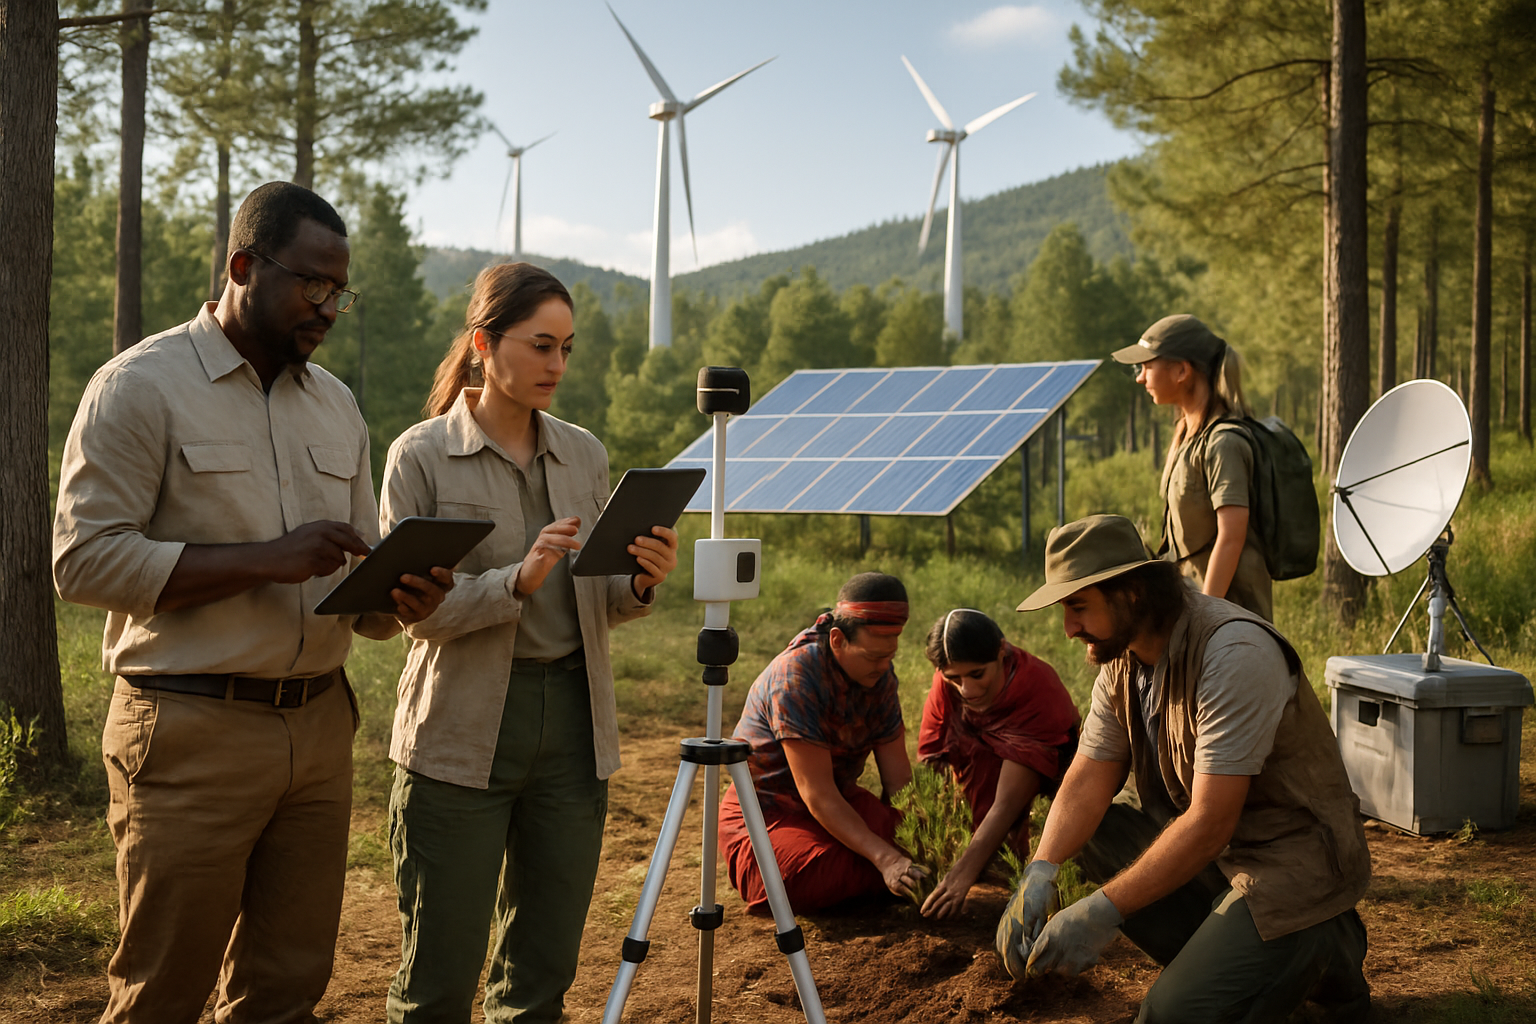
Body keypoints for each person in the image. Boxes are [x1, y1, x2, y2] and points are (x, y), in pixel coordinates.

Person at [52, 181, 450, 1024]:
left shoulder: (337, 406)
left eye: (341, 291)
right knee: (162, 991)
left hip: (317, 732)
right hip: (189, 733)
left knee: (286, 988)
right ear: (243, 266)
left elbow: (352, 588)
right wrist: (262, 561)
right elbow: (83, 561)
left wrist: (399, 594)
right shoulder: (139, 386)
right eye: (313, 285)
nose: (330, 308)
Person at [378, 261, 679, 1024]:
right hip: (461, 727)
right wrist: (516, 580)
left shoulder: (584, 453)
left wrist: (642, 581)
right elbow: (416, 615)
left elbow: (604, 599)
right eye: (541, 346)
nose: (557, 365)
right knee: (437, 980)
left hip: (574, 729)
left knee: (542, 975)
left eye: (567, 349)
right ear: (484, 342)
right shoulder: (419, 456)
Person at [996, 514, 1371, 1023]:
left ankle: (1323, 947)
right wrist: (1041, 868)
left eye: (1078, 607)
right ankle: (1241, 954)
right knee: (1096, 831)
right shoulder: (1123, 661)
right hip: (1223, 861)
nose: (1068, 628)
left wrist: (1101, 909)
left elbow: (1211, 821)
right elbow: (1087, 777)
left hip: (1289, 867)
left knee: (1169, 1016)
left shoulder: (1233, 652)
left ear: (1131, 593)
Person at [718, 572, 926, 915]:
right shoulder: (795, 677)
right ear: (837, 640)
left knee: (922, 852)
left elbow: (899, 783)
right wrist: (887, 858)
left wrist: (920, 839)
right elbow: (816, 792)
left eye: (890, 655)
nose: (884, 667)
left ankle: (875, 873)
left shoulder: (882, 678)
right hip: (769, 813)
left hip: (841, 802)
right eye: (873, 657)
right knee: (812, 873)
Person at [915, 609, 1080, 919]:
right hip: (985, 757)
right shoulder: (947, 683)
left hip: (1052, 761)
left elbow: (1006, 803)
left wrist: (962, 874)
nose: (967, 690)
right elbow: (931, 761)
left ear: (1002, 651)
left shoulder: (1036, 687)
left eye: (978, 674)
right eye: (953, 679)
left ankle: (1003, 860)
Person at [1113, 314, 1273, 620]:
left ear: (1182, 371)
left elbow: (1231, 537)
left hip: (1231, 626)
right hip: (1196, 614)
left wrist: (1203, 619)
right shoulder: (1187, 435)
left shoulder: (1223, 443)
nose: (1140, 377)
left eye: (1147, 365)